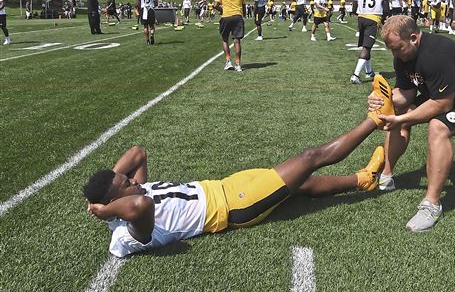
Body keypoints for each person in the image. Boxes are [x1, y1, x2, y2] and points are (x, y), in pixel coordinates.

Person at [83, 79, 395, 257]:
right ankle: (378, 118)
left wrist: (111, 186)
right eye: (125, 183)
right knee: (309, 158)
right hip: (235, 205)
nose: (133, 182)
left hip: (227, 185)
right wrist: (107, 210)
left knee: (302, 184)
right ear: (114, 204)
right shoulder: (125, 231)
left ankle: (364, 179)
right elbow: (140, 204)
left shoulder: (127, 194)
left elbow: (137, 152)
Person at [369, 15, 455, 232]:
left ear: (414, 38)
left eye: (398, 49)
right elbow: (405, 94)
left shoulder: (435, 53)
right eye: (392, 50)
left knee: (438, 126)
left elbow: (442, 105)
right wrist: (383, 100)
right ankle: (386, 176)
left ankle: (432, 205)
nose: (395, 55)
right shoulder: (403, 57)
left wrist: (402, 118)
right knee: (402, 110)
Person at [350, 0, 391, 84]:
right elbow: (386, 9)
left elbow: (354, 9)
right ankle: (355, 75)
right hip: (373, 19)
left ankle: (369, 72)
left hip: (361, 18)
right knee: (367, 47)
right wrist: (385, 18)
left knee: (367, 46)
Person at [214, 0, 246, 72]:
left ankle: (228, 61)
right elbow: (244, 8)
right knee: (237, 40)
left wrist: (222, 10)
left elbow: (215, 5)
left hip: (226, 16)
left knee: (224, 39)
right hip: (237, 16)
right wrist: (242, 16)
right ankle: (238, 64)